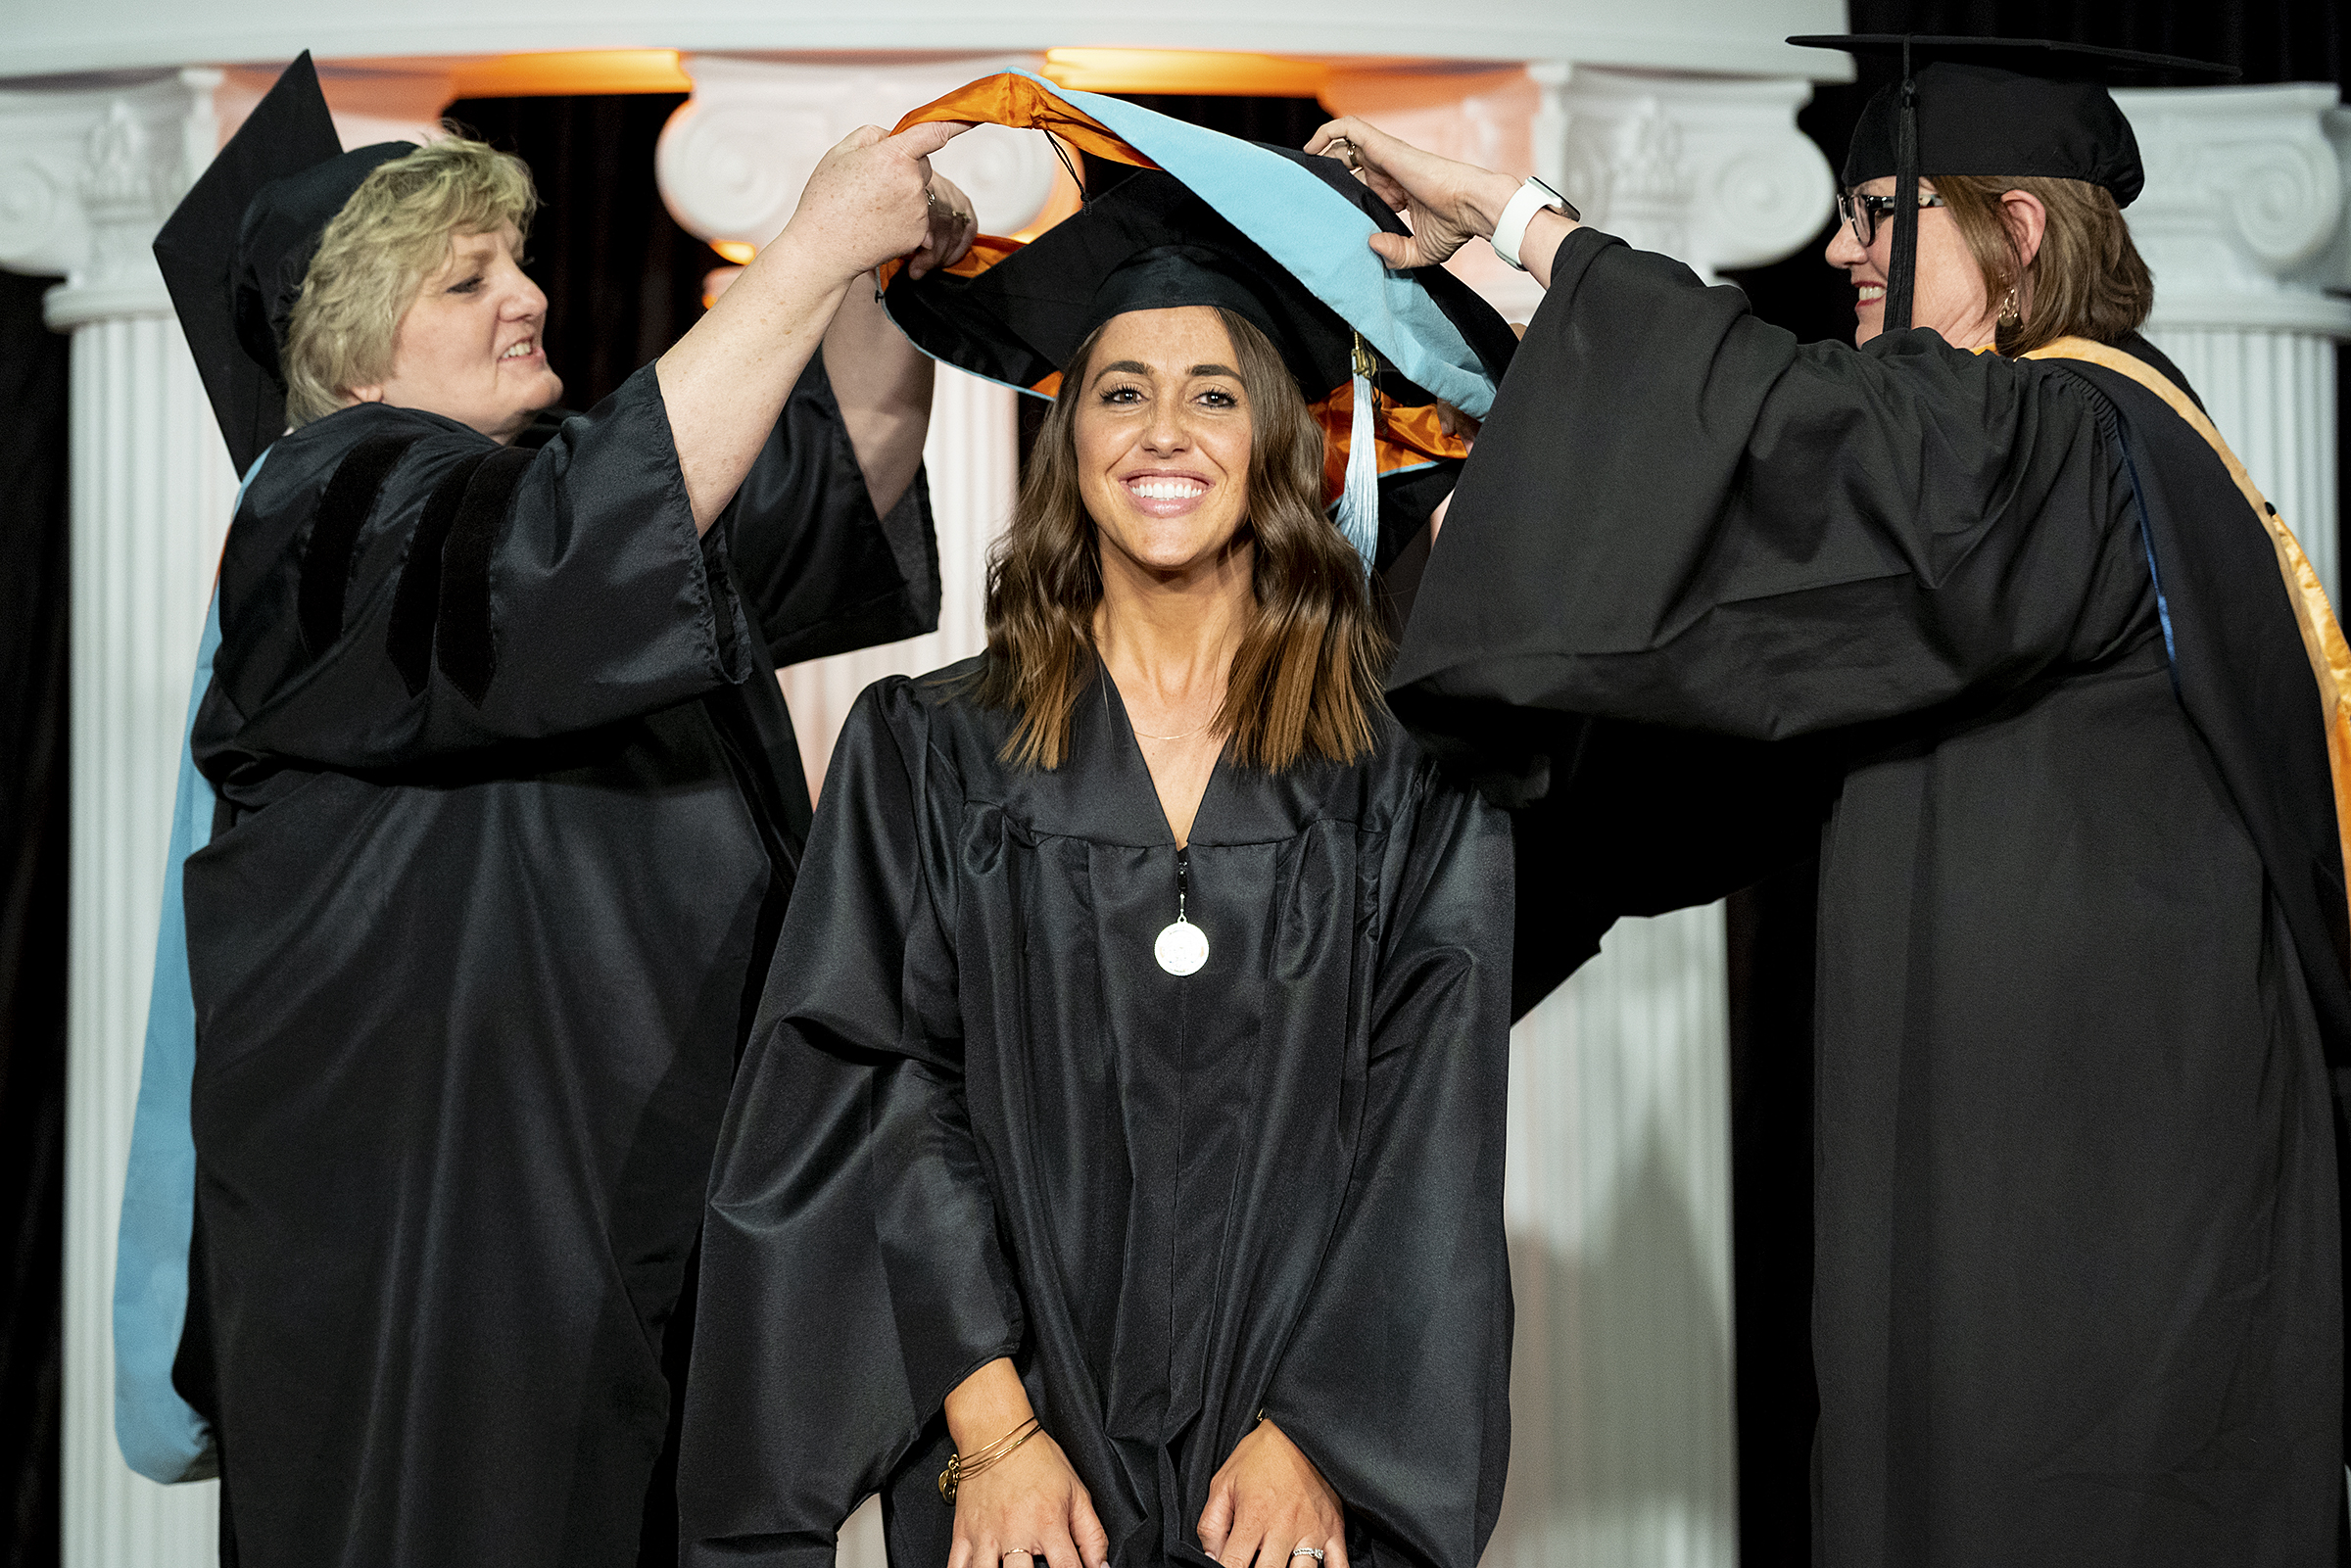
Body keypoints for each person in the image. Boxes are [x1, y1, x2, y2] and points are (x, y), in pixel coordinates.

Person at [1318, 33, 2351, 1567]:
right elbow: (1768, 618)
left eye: (1881, 212)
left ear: (2014, 230)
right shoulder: (2054, 472)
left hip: (2096, 1215)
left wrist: (1526, 221)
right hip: (2012, 1183)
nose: (1839, 246)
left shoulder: (2071, 437)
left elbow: (1813, 448)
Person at [120, 53, 979, 1568]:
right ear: (351, 348)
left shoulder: (558, 533)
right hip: (433, 1272)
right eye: (466, 279)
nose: (526, 294)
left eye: (515, 260)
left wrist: (879, 282)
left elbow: (845, 458)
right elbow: (560, 548)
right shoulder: (323, 508)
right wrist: (805, 250)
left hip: (610, 1237)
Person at [677, 75, 1521, 1568]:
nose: (1163, 430)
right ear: (1069, 437)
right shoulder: (931, 752)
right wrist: (990, 1434)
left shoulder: (1407, 767)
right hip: (1016, 1467)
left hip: (1298, 1479)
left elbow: (1428, 1124)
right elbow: (873, 1087)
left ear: (1279, 439)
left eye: (1214, 392)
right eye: (1120, 389)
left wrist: (1320, 1433)